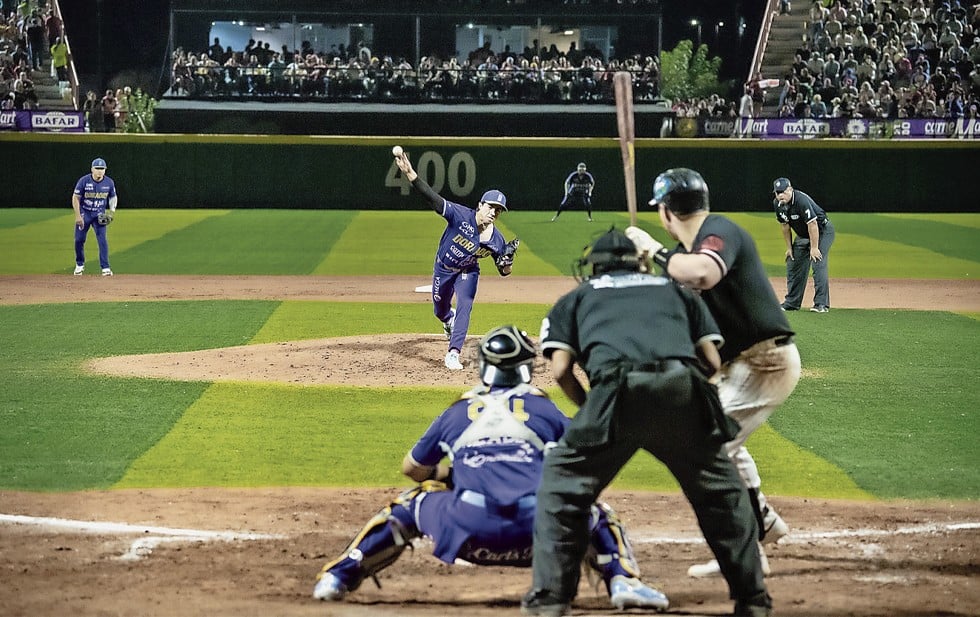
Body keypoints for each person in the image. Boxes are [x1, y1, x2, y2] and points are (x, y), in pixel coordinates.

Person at [313, 325, 669, 611]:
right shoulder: (543, 408)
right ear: (526, 367)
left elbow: (412, 468)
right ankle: (624, 582)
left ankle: (337, 578)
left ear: (485, 366)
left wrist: (452, 476)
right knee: (595, 510)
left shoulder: (458, 411)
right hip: (539, 541)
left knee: (411, 502)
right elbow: (584, 460)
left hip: (468, 536)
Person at [523, 228, 773, 617]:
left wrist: (593, 410)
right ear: (639, 263)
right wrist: (679, 396)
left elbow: (560, 370)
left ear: (595, 266)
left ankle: (550, 600)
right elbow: (711, 362)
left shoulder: (577, 298)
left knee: (562, 488)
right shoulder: (676, 292)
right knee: (722, 494)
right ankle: (753, 599)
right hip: (681, 388)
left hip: (614, 393)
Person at [624, 168, 801, 582]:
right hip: (741, 366)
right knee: (718, 443)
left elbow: (704, 272)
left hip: (766, 363)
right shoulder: (685, 255)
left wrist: (654, 251)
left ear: (666, 212)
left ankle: (746, 551)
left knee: (706, 446)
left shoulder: (717, 232)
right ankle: (763, 525)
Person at [393, 147, 519, 371]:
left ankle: (453, 353)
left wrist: (507, 261)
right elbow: (433, 200)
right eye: (491, 207)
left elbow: (504, 271)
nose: (493, 213)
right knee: (440, 310)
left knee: (465, 304)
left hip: (468, 272)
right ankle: (447, 320)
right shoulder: (460, 215)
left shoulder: (496, 239)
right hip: (443, 268)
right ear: (480, 205)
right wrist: (411, 174)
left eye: (498, 211)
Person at [772, 177, 835, 312]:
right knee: (793, 261)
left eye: (783, 192)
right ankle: (792, 303)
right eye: (778, 193)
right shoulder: (778, 204)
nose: (780, 195)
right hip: (803, 235)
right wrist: (789, 248)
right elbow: (785, 226)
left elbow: (812, 224)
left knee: (817, 261)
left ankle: (821, 304)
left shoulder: (801, 200)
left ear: (790, 189)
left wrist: (814, 247)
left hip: (822, 231)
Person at [72, 158, 118, 276]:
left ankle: (105, 267)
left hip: (99, 215)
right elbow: (76, 197)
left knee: (102, 240)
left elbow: (113, 197)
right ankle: (79, 264)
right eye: (97, 168)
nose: (99, 171)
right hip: (85, 213)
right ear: (92, 169)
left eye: (102, 169)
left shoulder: (109, 182)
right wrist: (78, 215)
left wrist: (111, 212)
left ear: (105, 170)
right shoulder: (84, 181)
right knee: (79, 239)